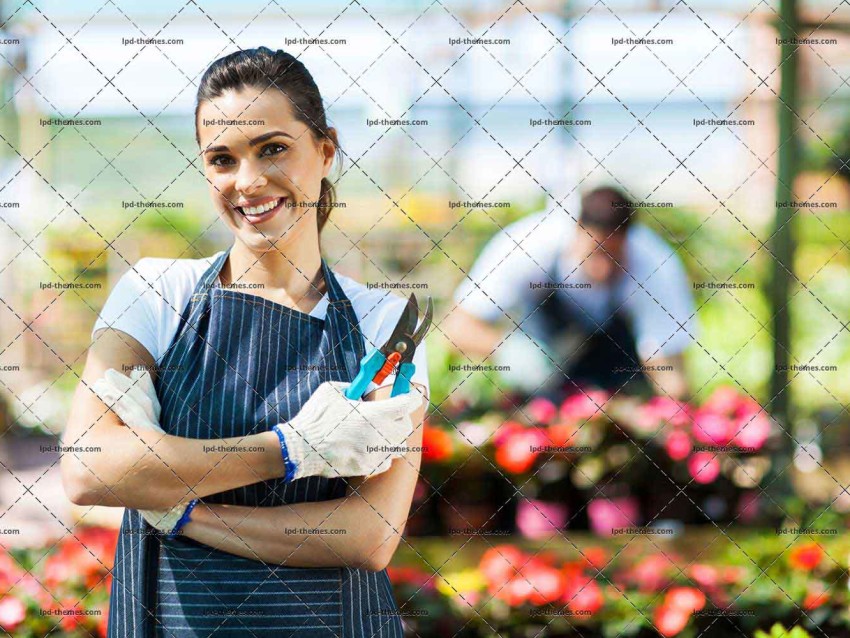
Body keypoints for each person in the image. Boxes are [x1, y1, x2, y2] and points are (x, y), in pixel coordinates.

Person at [61, 47, 429, 637]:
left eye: (273, 148)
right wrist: (291, 449)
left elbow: (367, 535)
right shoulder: (158, 293)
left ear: (326, 150)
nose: (248, 181)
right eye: (223, 159)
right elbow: (89, 469)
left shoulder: (381, 324)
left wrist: (179, 506)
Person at [444, 186, 695, 400]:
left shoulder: (655, 265)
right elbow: (457, 328)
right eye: (595, 254)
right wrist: (507, 350)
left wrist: (672, 417)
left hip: (618, 395)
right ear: (577, 230)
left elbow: (669, 369)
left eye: (614, 257)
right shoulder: (527, 246)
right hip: (542, 393)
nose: (603, 268)